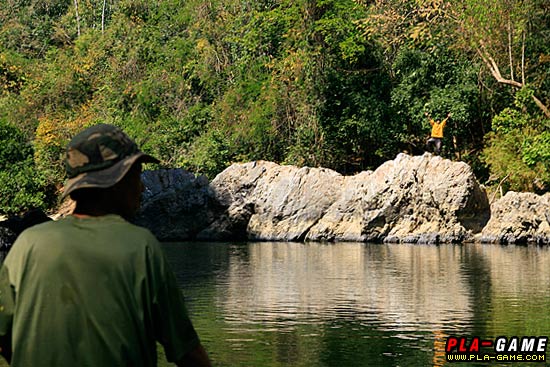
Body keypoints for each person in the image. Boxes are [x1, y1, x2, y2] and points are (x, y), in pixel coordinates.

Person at [0, 124, 211, 367]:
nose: (142, 187)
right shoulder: (140, 247)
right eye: (136, 174)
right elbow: (187, 353)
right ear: (116, 181)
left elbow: (3, 339)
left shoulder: (28, 243)